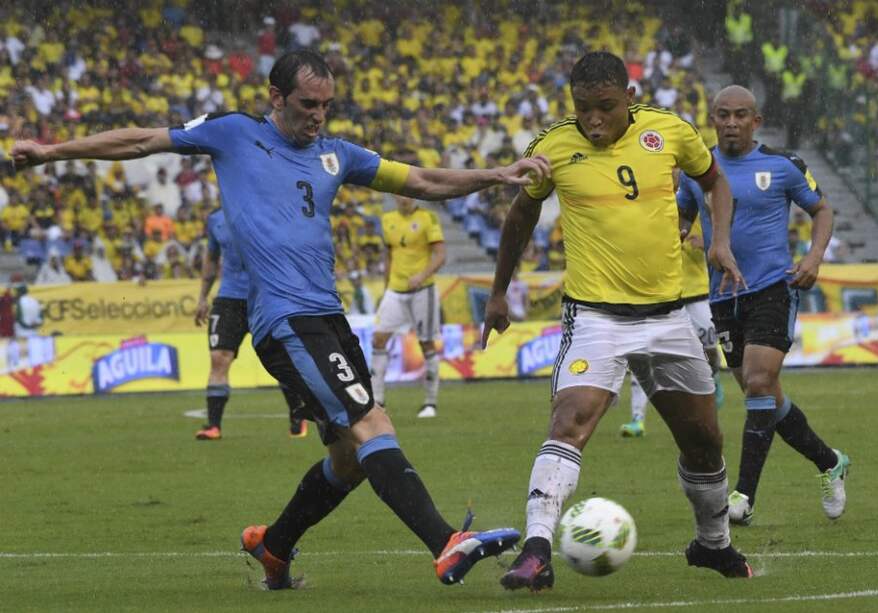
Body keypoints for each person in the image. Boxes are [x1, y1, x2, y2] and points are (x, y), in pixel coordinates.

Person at [11, 49, 549, 589]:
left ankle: (275, 546)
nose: (318, 116)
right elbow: (140, 140)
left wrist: (497, 174)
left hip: (327, 318)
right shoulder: (233, 133)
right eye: (307, 104)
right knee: (371, 424)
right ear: (275, 98)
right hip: (287, 321)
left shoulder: (338, 155)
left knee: (349, 457)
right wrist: (52, 152)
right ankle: (446, 543)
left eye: (327, 105)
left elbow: (423, 182)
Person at [481, 51, 751, 592]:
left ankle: (712, 544)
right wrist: (498, 291)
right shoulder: (554, 146)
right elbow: (521, 214)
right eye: (583, 109)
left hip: (669, 317)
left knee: (704, 440)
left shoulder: (669, 132)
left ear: (629, 97)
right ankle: (536, 550)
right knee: (570, 421)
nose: (593, 121)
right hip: (595, 317)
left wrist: (719, 241)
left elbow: (715, 183)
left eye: (605, 107)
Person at [676, 85, 850, 526]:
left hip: (774, 286)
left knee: (757, 383)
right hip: (723, 297)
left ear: (756, 122)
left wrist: (812, 258)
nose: (731, 123)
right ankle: (830, 462)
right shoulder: (697, 173)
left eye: (740, 115)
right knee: (765, 398)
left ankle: (743, 497)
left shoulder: (782, 166)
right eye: (723, 115)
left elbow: (823, 211)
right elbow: (677, 220)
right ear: (712, 120)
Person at [620, 175, 725, 438]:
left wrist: (708, 243)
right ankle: (637, 419)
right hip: (662, 294)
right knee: (642, 354)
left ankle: (713, 376)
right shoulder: (650, 207)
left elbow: (724, 240)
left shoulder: (696, 206)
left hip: (699, 291)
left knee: (710, 348)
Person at [193, 206, 310, 441]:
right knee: (219, 358)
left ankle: (297, 417)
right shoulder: (215, 218)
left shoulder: (266, 209)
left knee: (283, 360)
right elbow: (212, 258)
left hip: (266, 298)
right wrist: (202, 297)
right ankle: (213, 425)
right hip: (229, 299)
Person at [371, 195, 446, 418]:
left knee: (426, 344)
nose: (404, 198)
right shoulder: (387, 219)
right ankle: (377, 401)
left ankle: (430, 403)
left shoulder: (428, 217)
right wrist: (386, 288)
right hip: (395, 289)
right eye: (400, 194)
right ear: (395, 196)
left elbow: (441, 255)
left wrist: (422, 276)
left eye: (407, 194)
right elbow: (389, 255)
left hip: (422, 290)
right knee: (378, 338)